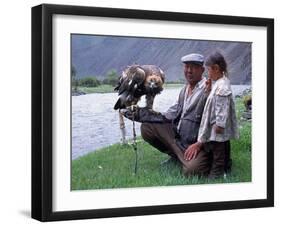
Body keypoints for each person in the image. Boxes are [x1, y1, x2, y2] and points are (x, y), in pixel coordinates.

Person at [122, 53, 212, 177]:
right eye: (186, 67)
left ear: (202, 70)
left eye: (194, 67)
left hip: (198, 144)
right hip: (181, 138)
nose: (189, 71)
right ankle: (178, 156)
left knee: (192, 171)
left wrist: (199, 144)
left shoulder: (208, 89)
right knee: (148, 126)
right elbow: (170, 114)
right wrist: (142, 115)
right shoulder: (184, 90)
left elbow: (214, 123)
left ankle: (185, 159)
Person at [185, 51, 239, 179]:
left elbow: (221, 107)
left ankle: (216, 173)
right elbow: (215, 101)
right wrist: (209, 90)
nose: (207, 74)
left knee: (218, 150)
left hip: (217, 128)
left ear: (216, 68)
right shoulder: (220, 83)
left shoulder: (221, 87)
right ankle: (227, 166)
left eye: (209, 70)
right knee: (224, 146)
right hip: (219, 127)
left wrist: (219, 124)